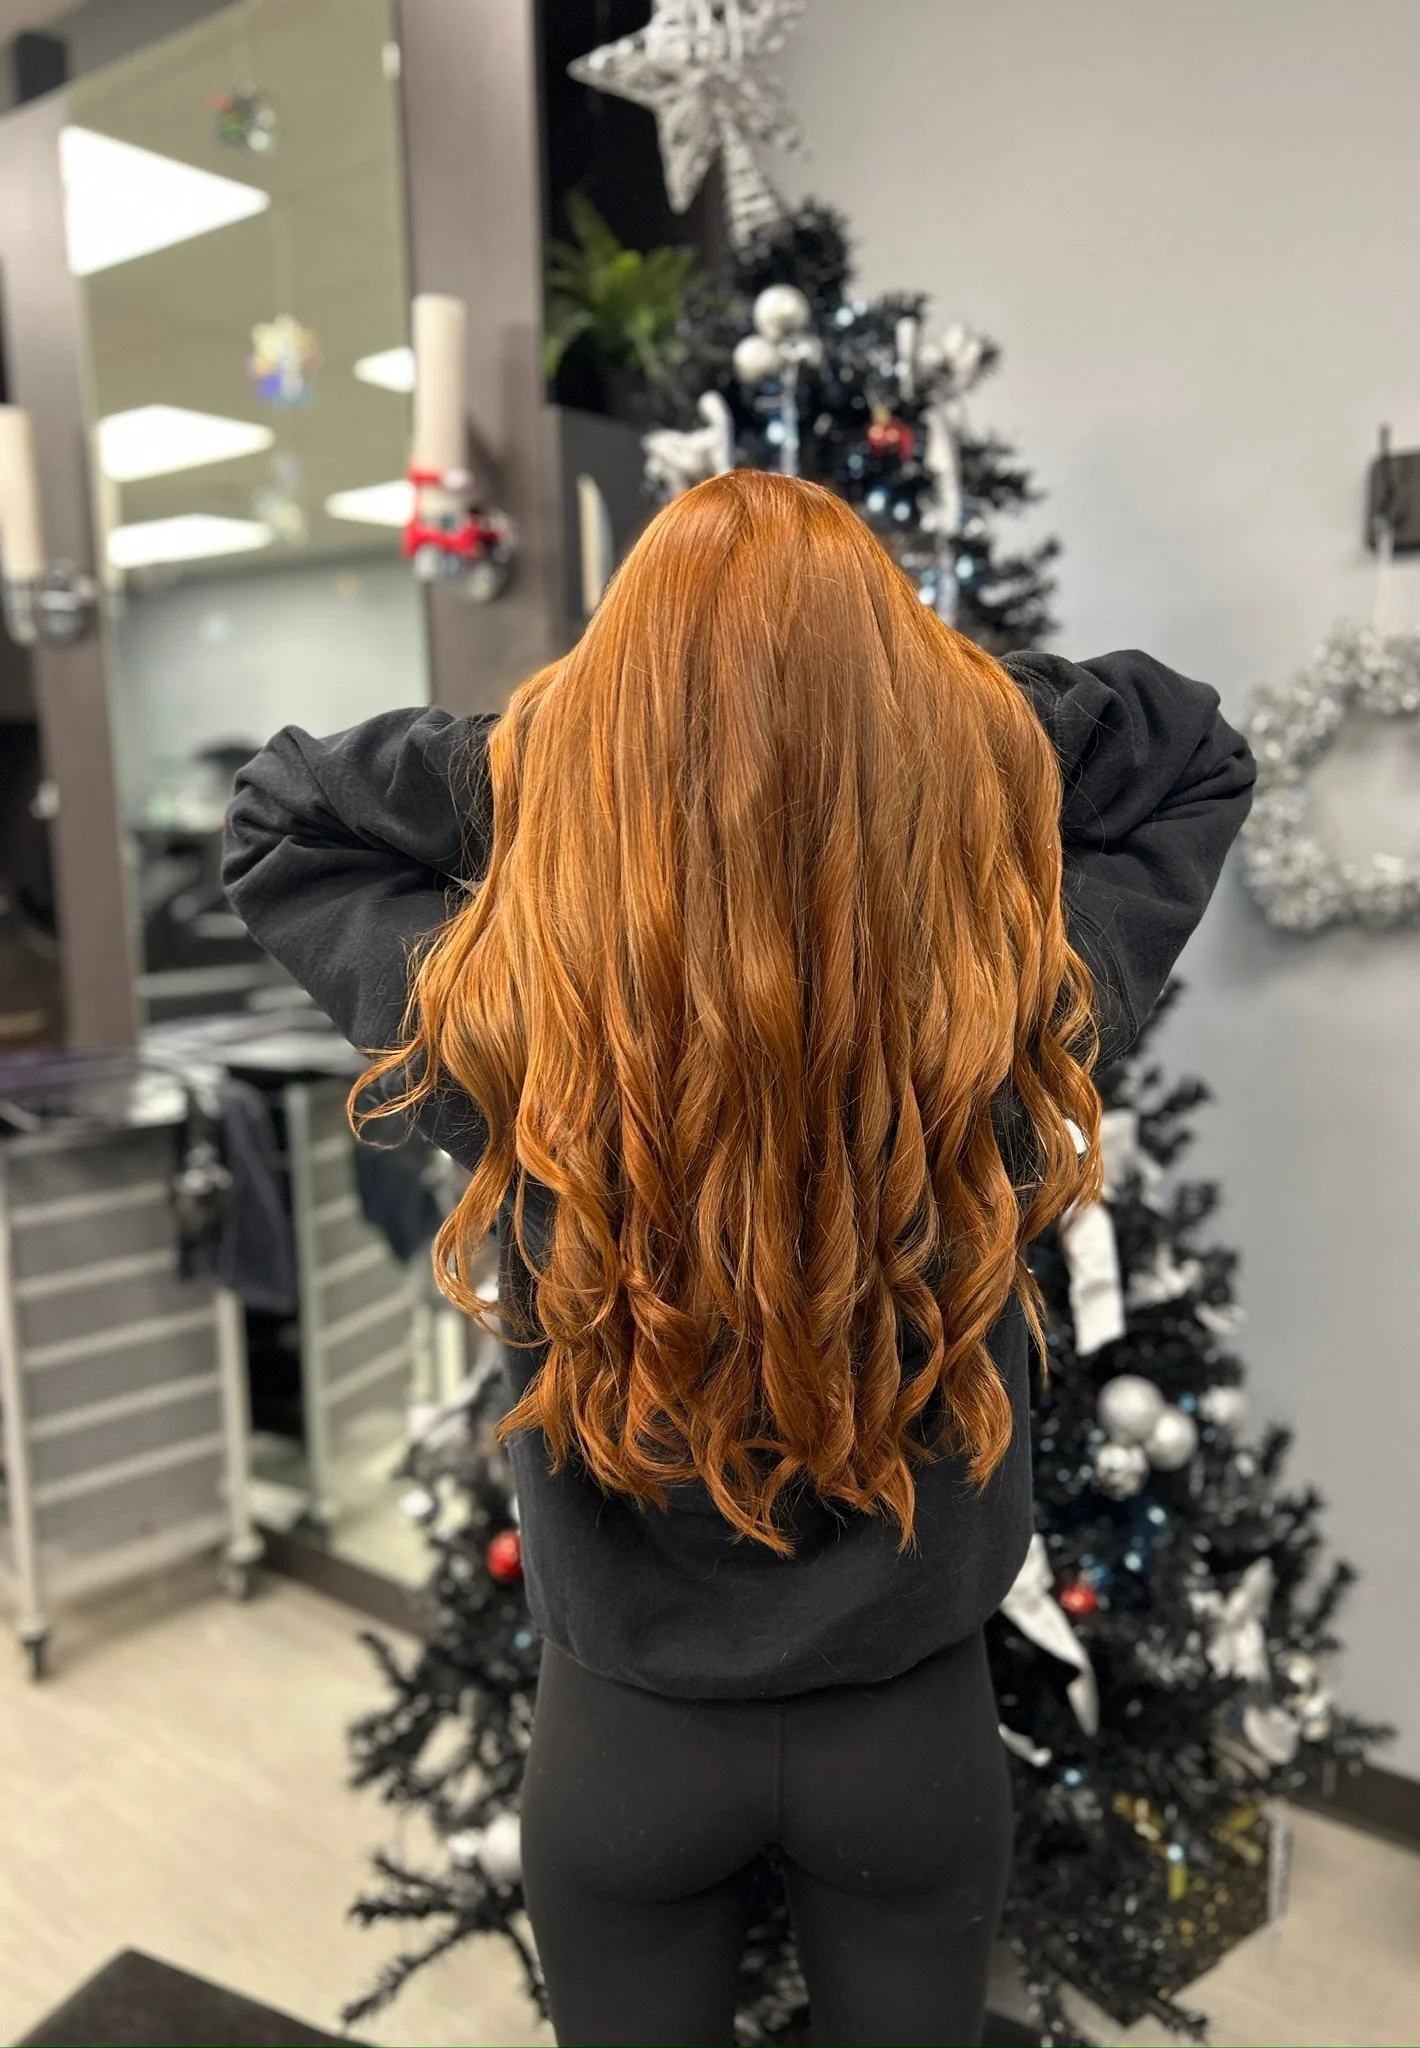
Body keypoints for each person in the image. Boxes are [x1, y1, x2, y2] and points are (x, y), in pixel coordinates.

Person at [223, 470, 1254, 2047]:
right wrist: (900, 722)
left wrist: (596, 746)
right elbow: (1188, 752)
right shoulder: (999, 1024)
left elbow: (284, 812)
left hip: (624, 1746)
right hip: (908, 1733)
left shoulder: (513, 1041)